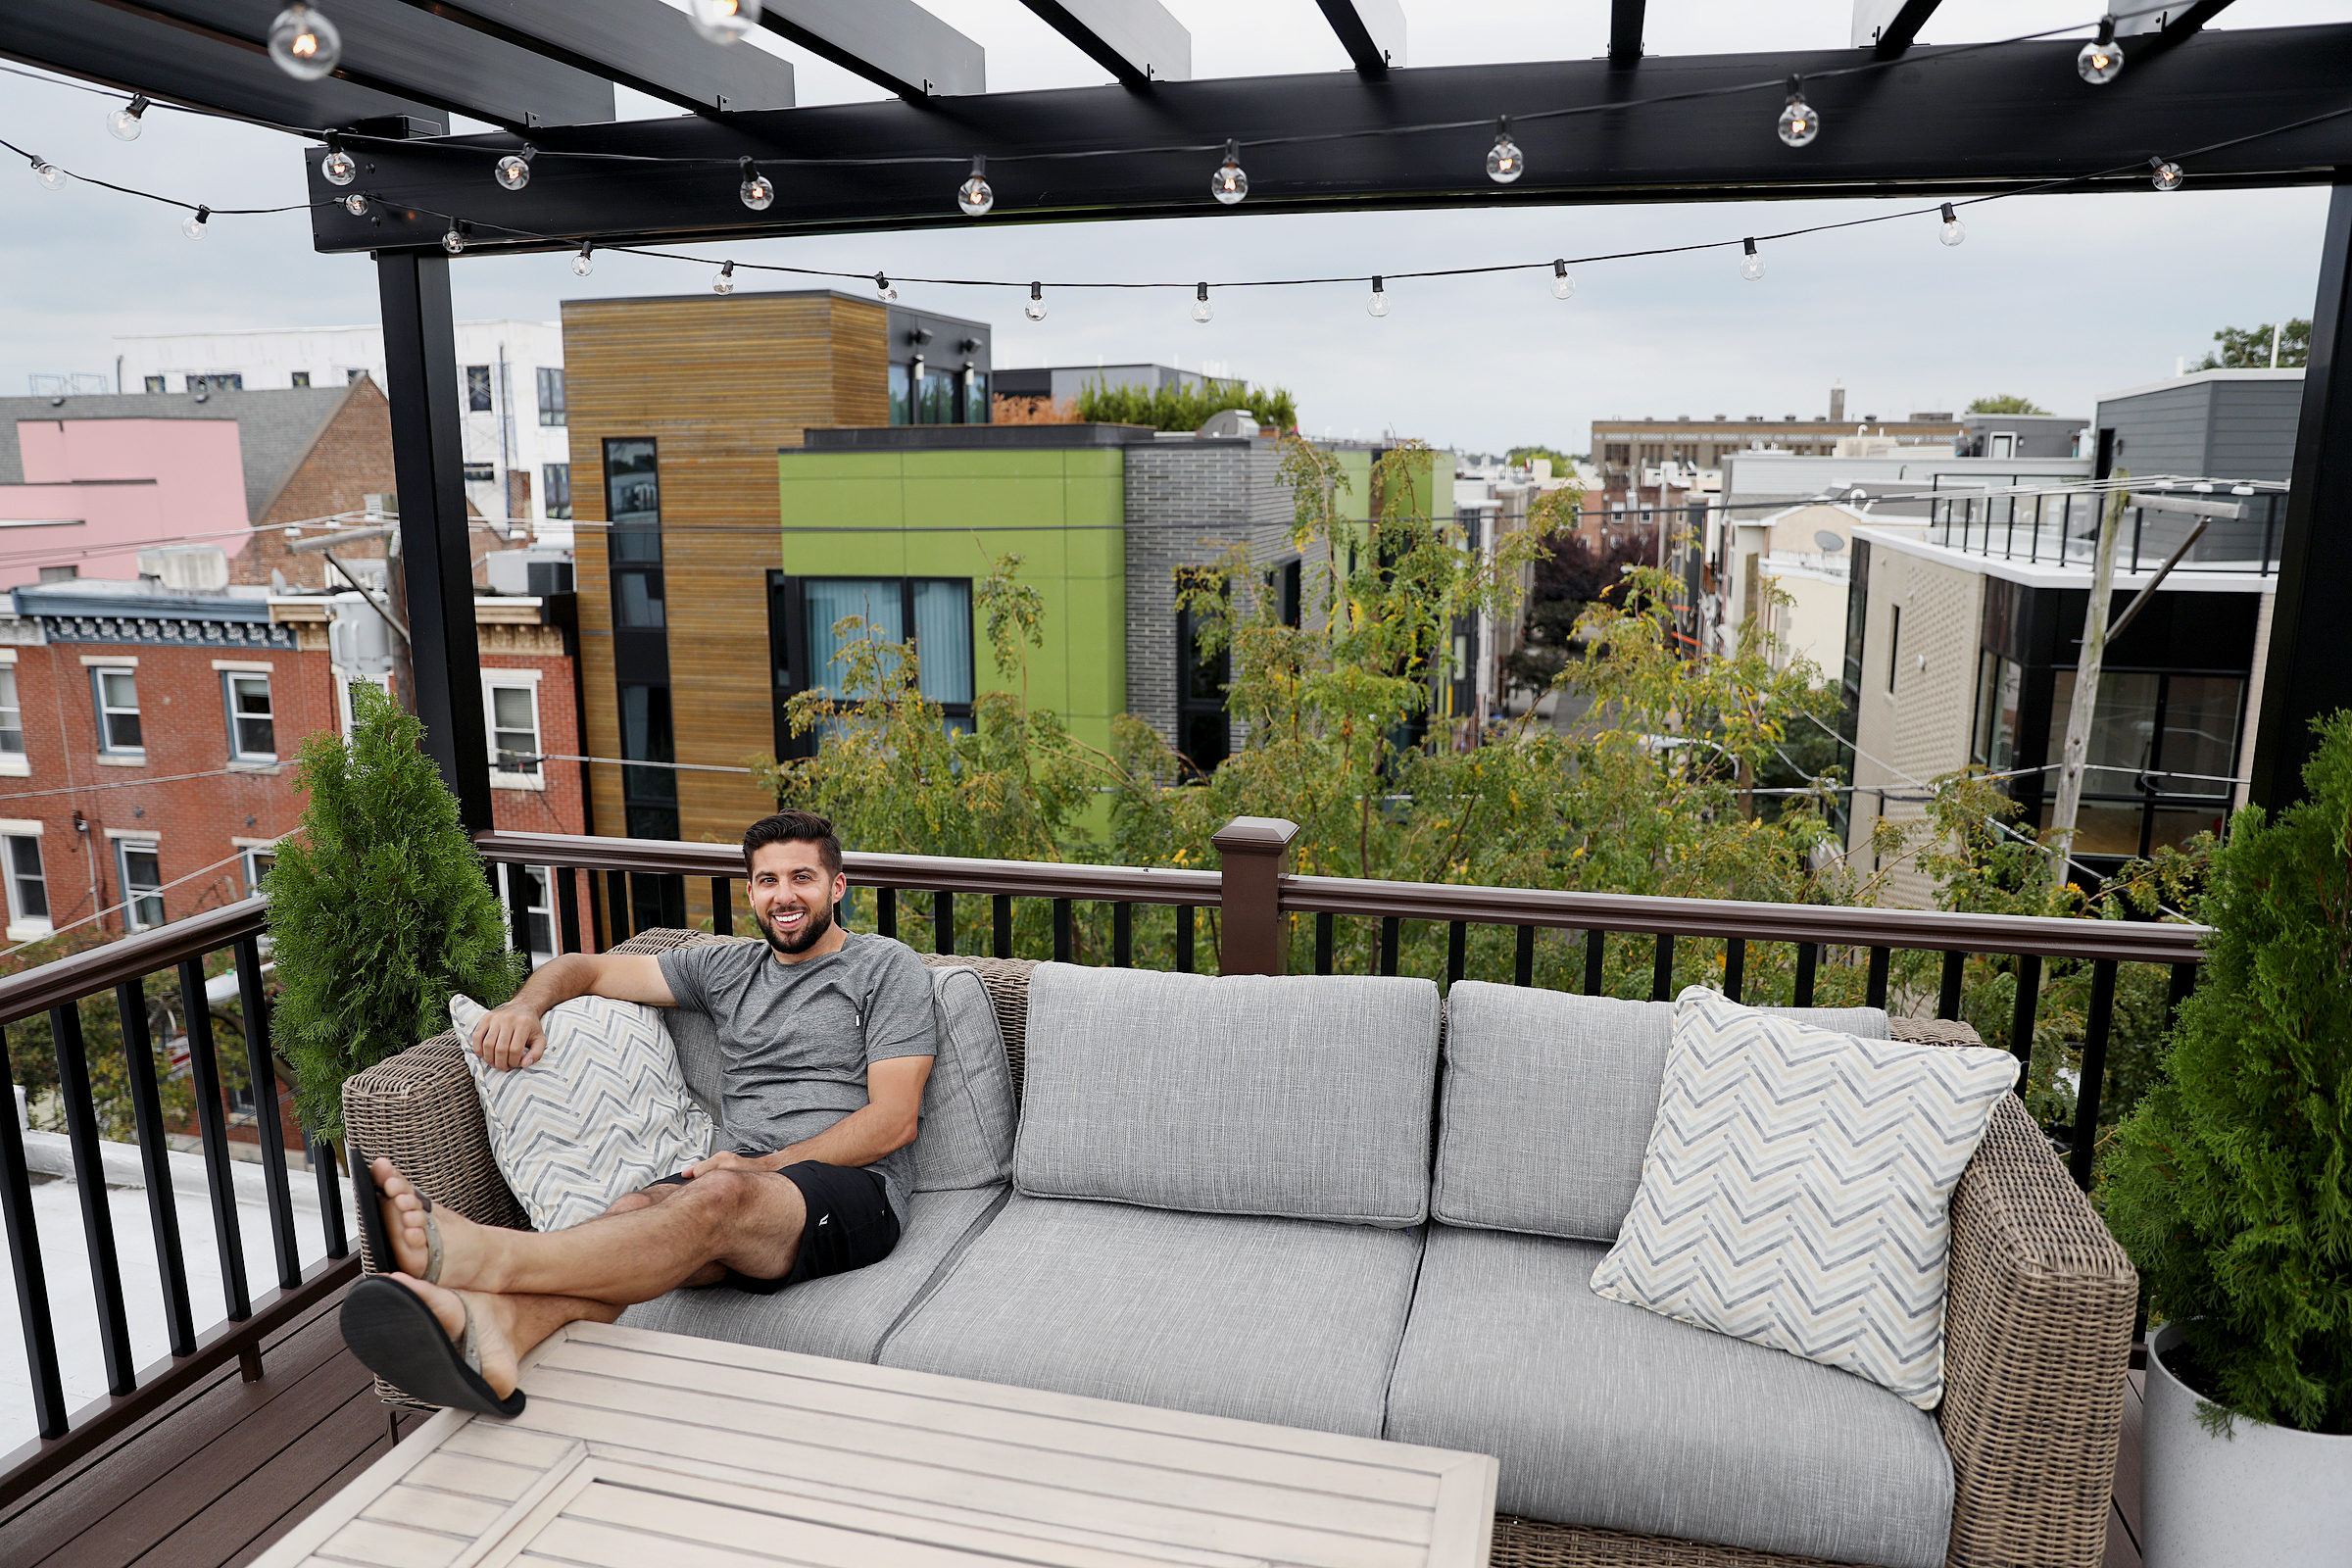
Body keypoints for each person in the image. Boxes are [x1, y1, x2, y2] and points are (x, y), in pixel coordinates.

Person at [339, 810, 936, 1416]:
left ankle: (489, 1257)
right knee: (629, 1212)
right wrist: (525, 1007)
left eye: (802, 877)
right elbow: (587, 968)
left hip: (857, 1190)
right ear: (751, 890)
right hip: (740, 1181)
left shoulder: (884, 968)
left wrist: (767, 1165)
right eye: (768, 880)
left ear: (837, 886)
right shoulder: (724, 970)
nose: (785, 896)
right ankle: (503, 1330)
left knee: (719, 1194)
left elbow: (893, 1121)